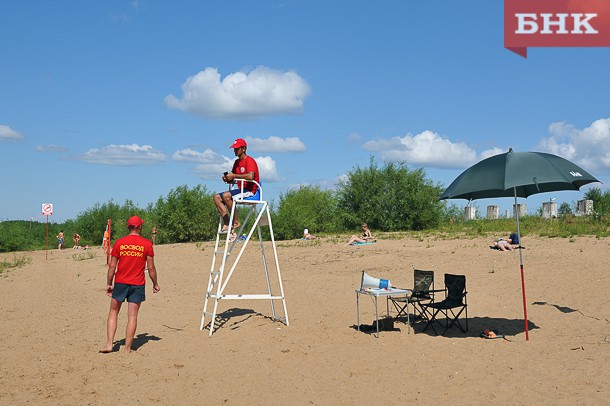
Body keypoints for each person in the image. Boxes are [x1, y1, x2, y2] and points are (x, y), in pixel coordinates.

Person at [100, 215, 160, 354]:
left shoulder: (119, 243)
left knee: (113, 312)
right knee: (132, 316)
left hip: (120, 282)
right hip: (137, 284)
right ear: (139, 227)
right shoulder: (146, 244)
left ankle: (110, 345)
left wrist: (109, 283)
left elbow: (112, 266)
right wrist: (155, 283)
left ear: (129, 227)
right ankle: (127, 348)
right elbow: (151, 268)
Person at [213, 138, 260, 236]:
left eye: (237, 148)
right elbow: (234, 178)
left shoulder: (250, 161)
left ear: (243, 149)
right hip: (241, 189)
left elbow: (250, 176)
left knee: (226, 196)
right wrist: (228, 179)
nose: (235, 150)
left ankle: (236, 221)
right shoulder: (236, 162)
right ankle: (227, 223)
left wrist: (233, 176)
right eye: (234, 149)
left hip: (250, 190)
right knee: (216, 197)